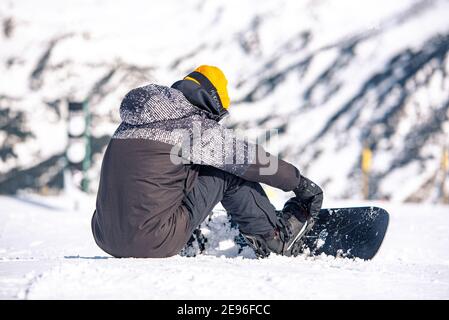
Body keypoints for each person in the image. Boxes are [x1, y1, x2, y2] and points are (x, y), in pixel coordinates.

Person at [91, 65, 323, 258]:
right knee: (228, 173)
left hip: (104, 234)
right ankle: (276, 239)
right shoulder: (190, 126)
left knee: (175, 170)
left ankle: (187, 235)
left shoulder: (133, 121)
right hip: (152, 239)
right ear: (211, 102)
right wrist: (299, 184)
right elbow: (252, 161)